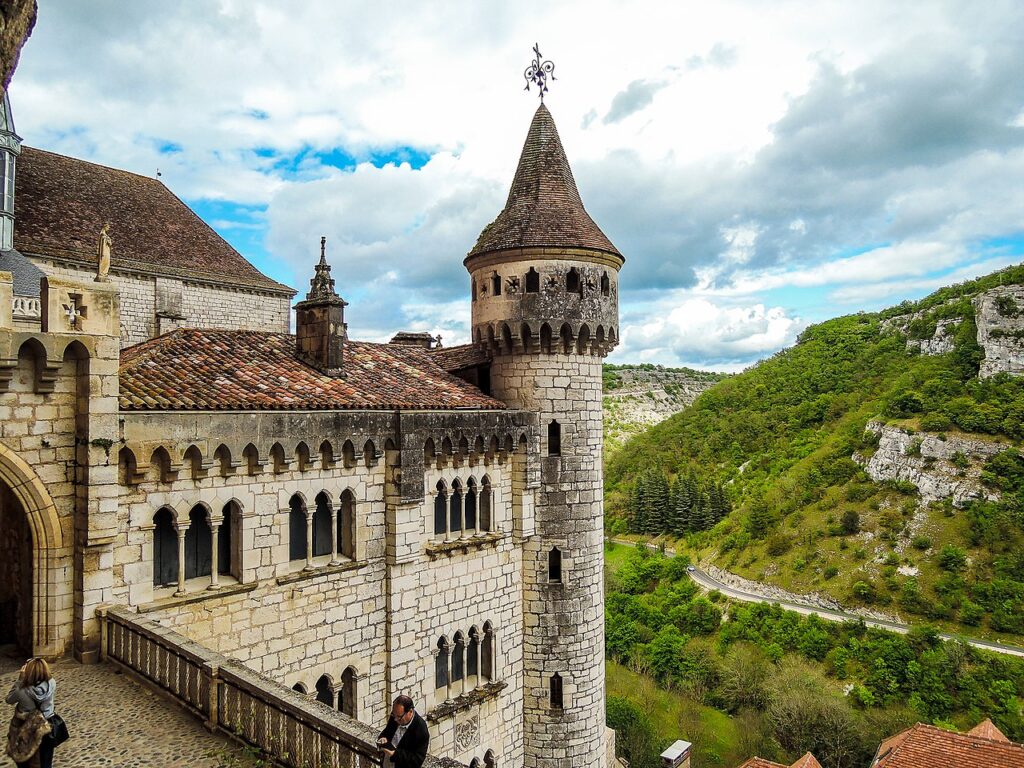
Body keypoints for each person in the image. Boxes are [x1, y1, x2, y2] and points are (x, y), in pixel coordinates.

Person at [5, 658, 56, 768]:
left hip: (28, 729)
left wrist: (20, 680)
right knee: (46, 761)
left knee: (27, 761)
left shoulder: (21, 690)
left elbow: (9, 699)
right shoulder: (51, 683)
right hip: (47, 727)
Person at [377, 694, 429, 768]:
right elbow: (387, 731)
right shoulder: (395, 715)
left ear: (410, 712)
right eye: (394, 715)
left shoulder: (421, 730)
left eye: (399, 717)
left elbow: (417, 761)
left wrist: (395, 754)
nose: (395, 719)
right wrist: (383, 737)